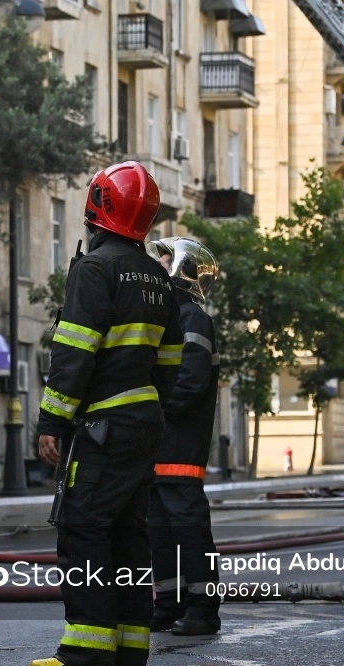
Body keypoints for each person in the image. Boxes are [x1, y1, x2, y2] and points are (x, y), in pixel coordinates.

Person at [30, 161, 182, 666]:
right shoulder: (159, 279)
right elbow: (170, 362)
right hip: (144, 424)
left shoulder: (95, 269)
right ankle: (130, 643)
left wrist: (52, 422)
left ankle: (85, 647)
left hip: (101, 428)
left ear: (98, 207)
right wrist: (147, 405)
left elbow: (74, 353)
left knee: (85, 528)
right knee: (128, 531)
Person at [144, 237, 222, 636]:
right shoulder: (169, 318)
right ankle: (168, 604)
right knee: (159, 532)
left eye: (164, 257)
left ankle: (204, 610)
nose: (156, 262)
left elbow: (189, 383)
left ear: (181, 269)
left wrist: (150, 409)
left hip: (180, 448)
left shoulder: (191, 318)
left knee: (189, 530)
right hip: (158, 449)